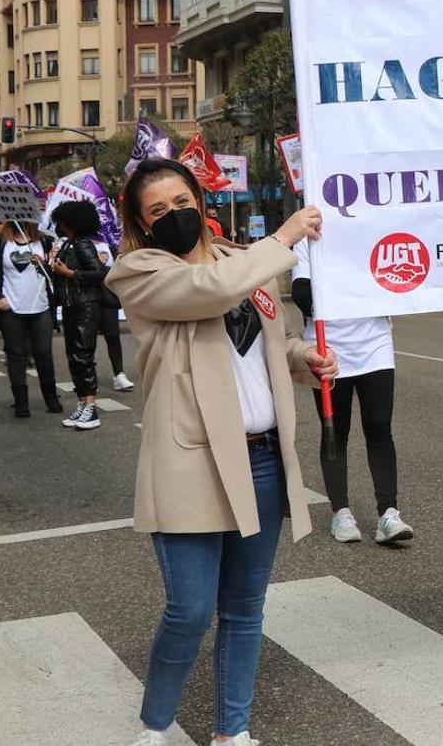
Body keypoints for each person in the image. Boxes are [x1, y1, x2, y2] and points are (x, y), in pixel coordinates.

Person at [106, 158, 336, 746]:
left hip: (260, 460)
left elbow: (274, 341)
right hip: (190, 463)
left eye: (182, 202)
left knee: (243, 609)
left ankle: (233, 732)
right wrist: (283, 237)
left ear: (200, 199)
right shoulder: (139, 272)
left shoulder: (243, 263)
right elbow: (206, 293)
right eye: (158, 211)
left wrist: (303, 359)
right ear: (141, 223)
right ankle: (155, 728)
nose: (174, 216)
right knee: (189, 609)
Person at [291, 243, 414, 545]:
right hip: (327, 347)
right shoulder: (309, 242)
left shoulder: (373, 232)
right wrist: (358, 283)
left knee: (379, 427)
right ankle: (340, 511)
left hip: (375, 344)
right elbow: (303, 295)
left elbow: (397, 282)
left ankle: (388, 513)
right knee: (336, 430)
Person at [0, 220, 62, 417]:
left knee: (43, 353)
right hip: (12, 309)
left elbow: (53, 275)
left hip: (41, 307)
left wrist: (43, 263)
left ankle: (51, 398)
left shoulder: (43, 240)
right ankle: (21, 402)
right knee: (16, 355)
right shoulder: (1, 241)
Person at [50, 200, 106, 430]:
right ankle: (83, 403)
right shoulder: (69, 244)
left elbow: (98, 272)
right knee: (74, 355)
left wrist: (69, 273)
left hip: (86, 305)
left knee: (83, 354)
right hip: (72, 304)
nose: (60, 225)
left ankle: (91, 408)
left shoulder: (82, 244)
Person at [96, 241, 136, 392]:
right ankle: (87, 378)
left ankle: (119, 374)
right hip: (86, 298)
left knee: (113, 336)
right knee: (87, 341)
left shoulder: (107, 246)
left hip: (107, 298)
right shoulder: (75, 243)